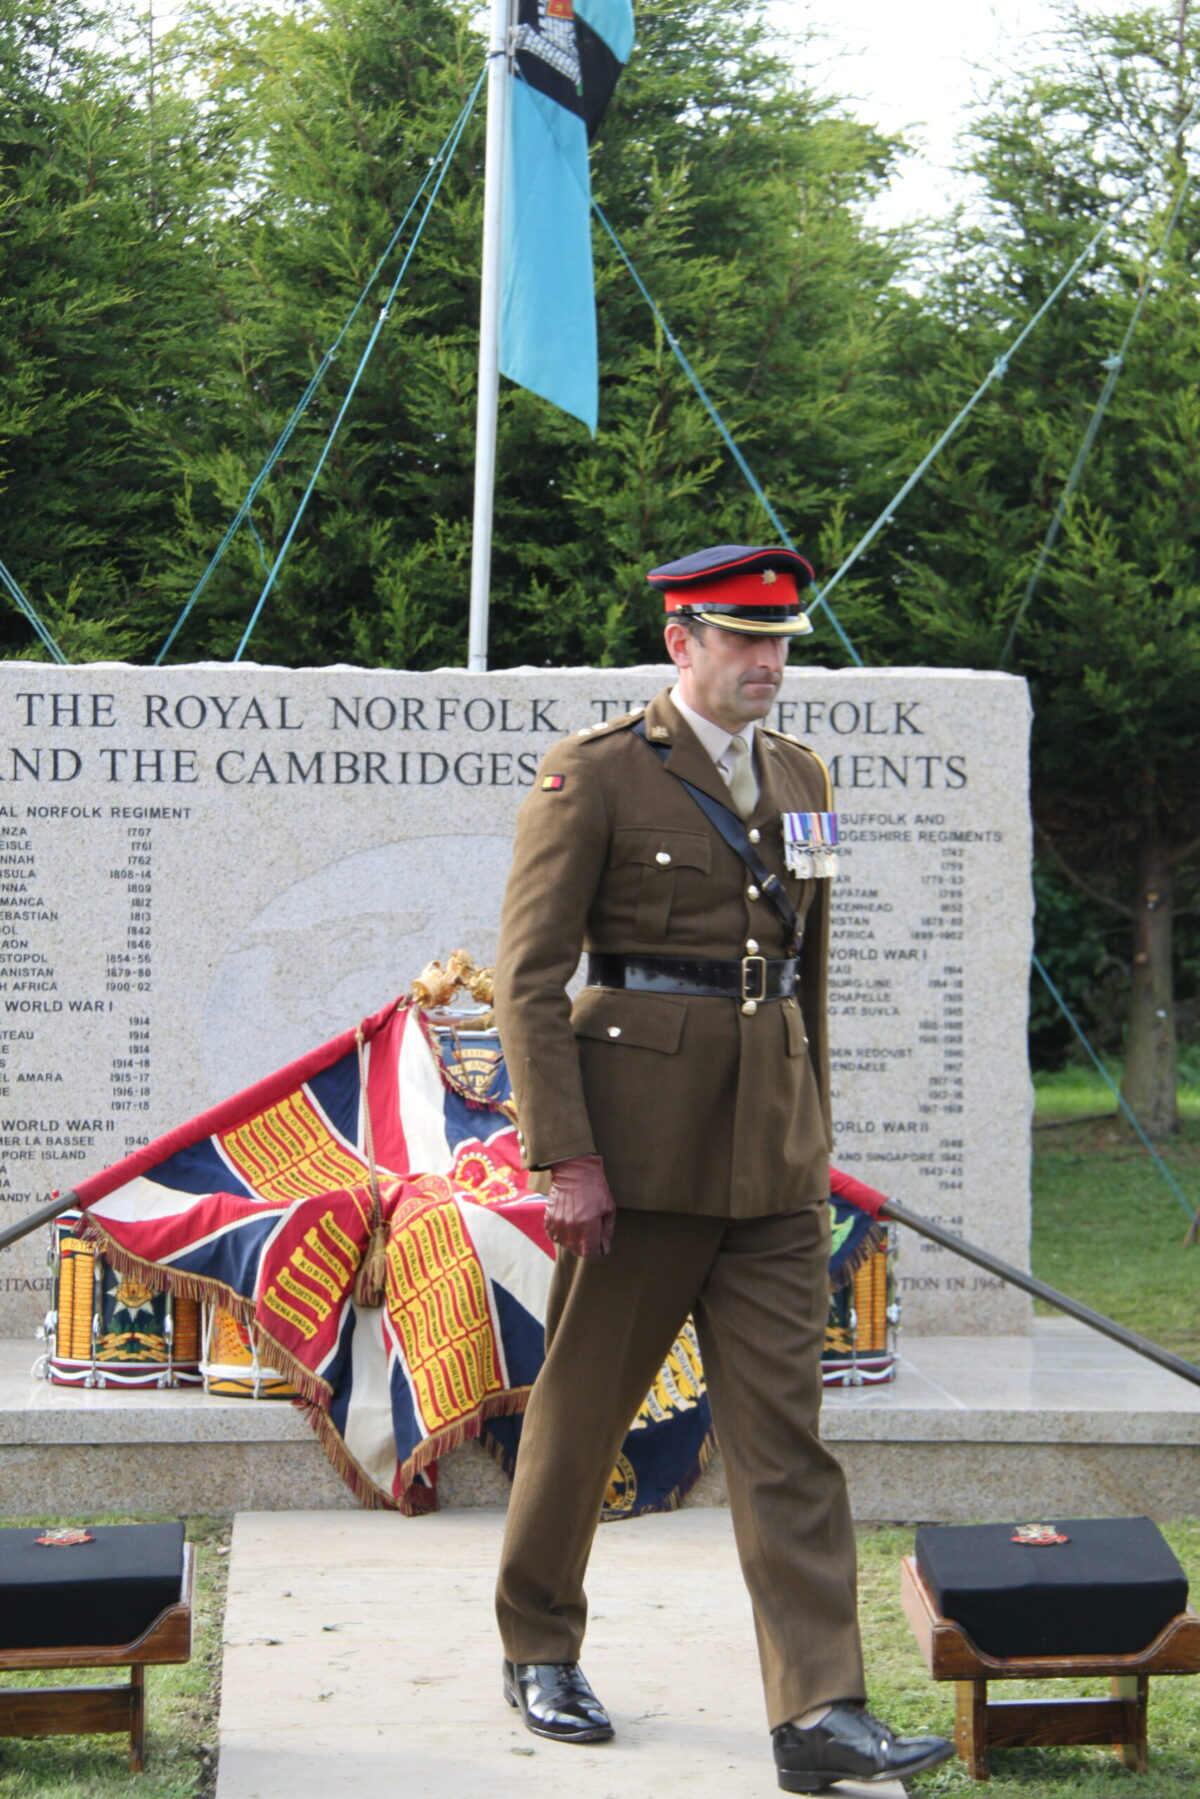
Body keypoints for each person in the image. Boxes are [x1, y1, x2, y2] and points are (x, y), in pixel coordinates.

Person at [492, 544, 953, 1794]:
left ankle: (820, 1710)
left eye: (783, 639)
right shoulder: (592, 775)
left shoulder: (802, 775)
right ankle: (539, 1643)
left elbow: (810, 968)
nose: (769, 661)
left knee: (787, 1442)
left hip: (769, 1162)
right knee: (583, 1419)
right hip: (634, 1160)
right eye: (744, 638)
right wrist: (566, 1155)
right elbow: (531, 983)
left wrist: (812, 1121)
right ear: (680, 639)